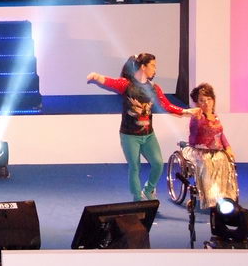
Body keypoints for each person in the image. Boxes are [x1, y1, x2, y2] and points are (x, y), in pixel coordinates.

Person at [86, 53, 201, 201]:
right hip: (129, 136)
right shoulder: (126, 84)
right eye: (153, 65)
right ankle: (137, 199)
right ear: (143, 67)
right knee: (135, 167)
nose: (155, 69)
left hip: (148, 135)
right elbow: (109, 82)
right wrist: (96, 76)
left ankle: (148, 190)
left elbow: (167, 105)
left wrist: (186, 111)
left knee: (158, 164)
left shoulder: (154, 88)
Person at [182, 83, 238, 209]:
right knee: (207, 164)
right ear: (197, 103)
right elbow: (193, 137)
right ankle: (211, 198)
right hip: (199, 151)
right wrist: (198, 120)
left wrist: (228, 148)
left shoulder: (216, 117)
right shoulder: (196, 118)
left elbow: (221, 135)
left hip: (216, 151)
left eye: (209, 99)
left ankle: (225, 196)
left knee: (224, 161)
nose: (206, 103)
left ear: (213, 100)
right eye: (202, 100)